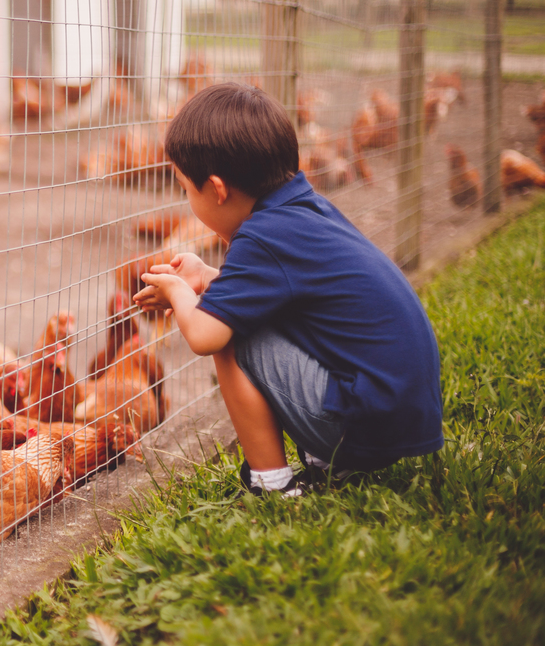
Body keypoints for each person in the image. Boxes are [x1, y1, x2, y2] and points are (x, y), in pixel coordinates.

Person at [134, 83, 442, 496]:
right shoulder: (301, 209)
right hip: (398, 413)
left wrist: (179, 291)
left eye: (186, 189)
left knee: (229, 331)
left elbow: (206, 337)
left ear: (217, 189)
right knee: (232, 310)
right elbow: (284, 294)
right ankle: (335, 465)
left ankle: (272, 485)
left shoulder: (262, 237)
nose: (187, 199)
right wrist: (208, 275)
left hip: (365, 425)